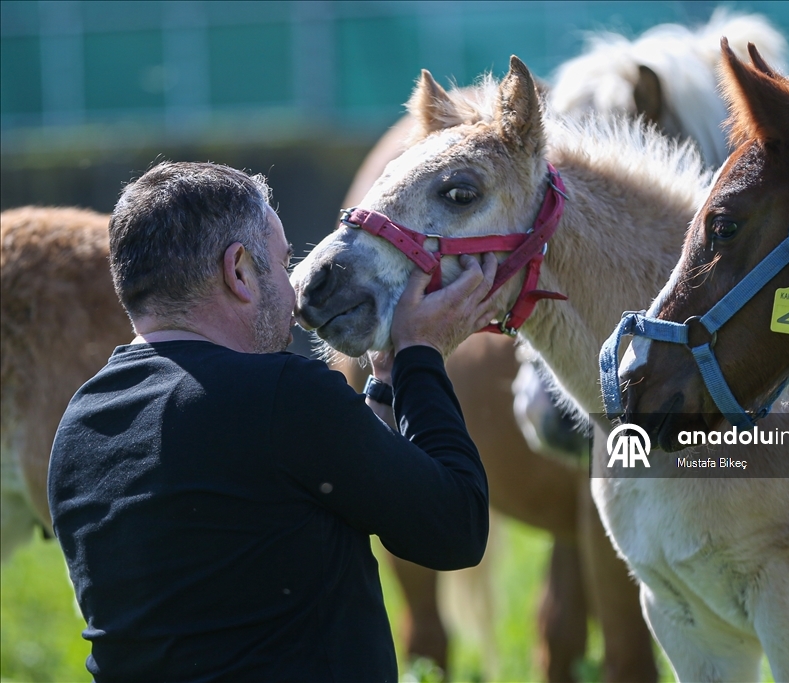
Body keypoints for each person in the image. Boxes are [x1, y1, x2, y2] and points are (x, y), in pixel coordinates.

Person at [47, 161, 500, 682]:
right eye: (284, 266)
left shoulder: (80, 425)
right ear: (238, 270)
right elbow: (455, 527)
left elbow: (315, 494)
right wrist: (422, 354)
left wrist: (386, 379)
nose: (295, 298)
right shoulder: (284, 395)